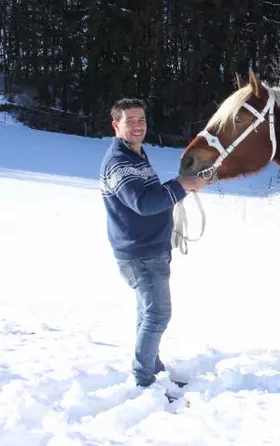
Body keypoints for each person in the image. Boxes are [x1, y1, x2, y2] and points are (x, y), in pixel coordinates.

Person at [99, 98, 208, 388]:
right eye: (130, 120)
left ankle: (152, 365)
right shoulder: (118, 162)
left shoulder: (136, 155)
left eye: (141, 120)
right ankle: (143, 379)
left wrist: (183, 184)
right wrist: (181, 186)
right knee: (158, 314)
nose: (138, 126)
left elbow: (154, 195)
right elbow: (143, 204)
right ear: (116, 125)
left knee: (147, 313)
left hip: (152, 248)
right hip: (140, 253)